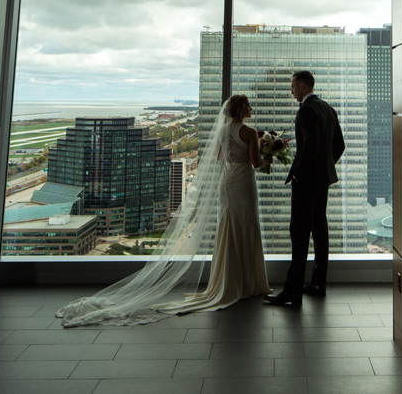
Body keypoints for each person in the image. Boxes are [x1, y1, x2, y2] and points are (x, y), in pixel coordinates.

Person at [56, 95, 270, 326]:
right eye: (247, 105)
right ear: (239, 109)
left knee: (229, 226)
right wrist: (269, 154)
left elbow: (220, 157)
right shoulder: (248, 132)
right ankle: (247, 282)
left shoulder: (222, 130)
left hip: (227, 183)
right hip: (243, 183)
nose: (251, 108)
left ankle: (228, 281)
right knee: (246, 224)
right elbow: (256, 163)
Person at [265, 70, 345, 306]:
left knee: (298, 233)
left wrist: (299, 174)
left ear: (301, 86)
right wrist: (324, 168)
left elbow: (309, 148)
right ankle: (318, 283)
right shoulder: (328, 109)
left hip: (308, 182)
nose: (291, 91)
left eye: (292, 86)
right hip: (323, 180)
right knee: (320, 230)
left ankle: (293, 292)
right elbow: (339, 145)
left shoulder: (306, 111)